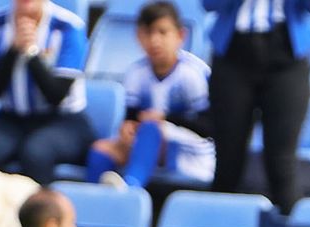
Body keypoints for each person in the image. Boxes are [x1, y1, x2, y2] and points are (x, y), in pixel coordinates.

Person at [202, 0, 310, 212]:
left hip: (286, 56)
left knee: (281, 165)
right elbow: (209, 4)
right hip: (232, 56)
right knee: (228, 163)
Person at [84, 1, 214, 191]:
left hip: (192, 152)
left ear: (180, 35)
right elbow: (132, 116)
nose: (155, 40)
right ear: (139, 36)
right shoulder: (136, 73)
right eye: (148, 32)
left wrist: (165, 119)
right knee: (101, 149)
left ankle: (131, 189)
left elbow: (207, 127)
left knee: (150, 128)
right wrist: (127, 128)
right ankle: (93, 200)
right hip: (146, 144)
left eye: (162, 32)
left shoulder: (192, 73)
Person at [0, 0, 94, 186]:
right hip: (11, 118)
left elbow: (56, 95)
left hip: (63, 120)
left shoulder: (69, 26)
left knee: (37, 153)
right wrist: (12, 51)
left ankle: (38, 213)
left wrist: (31, 53)